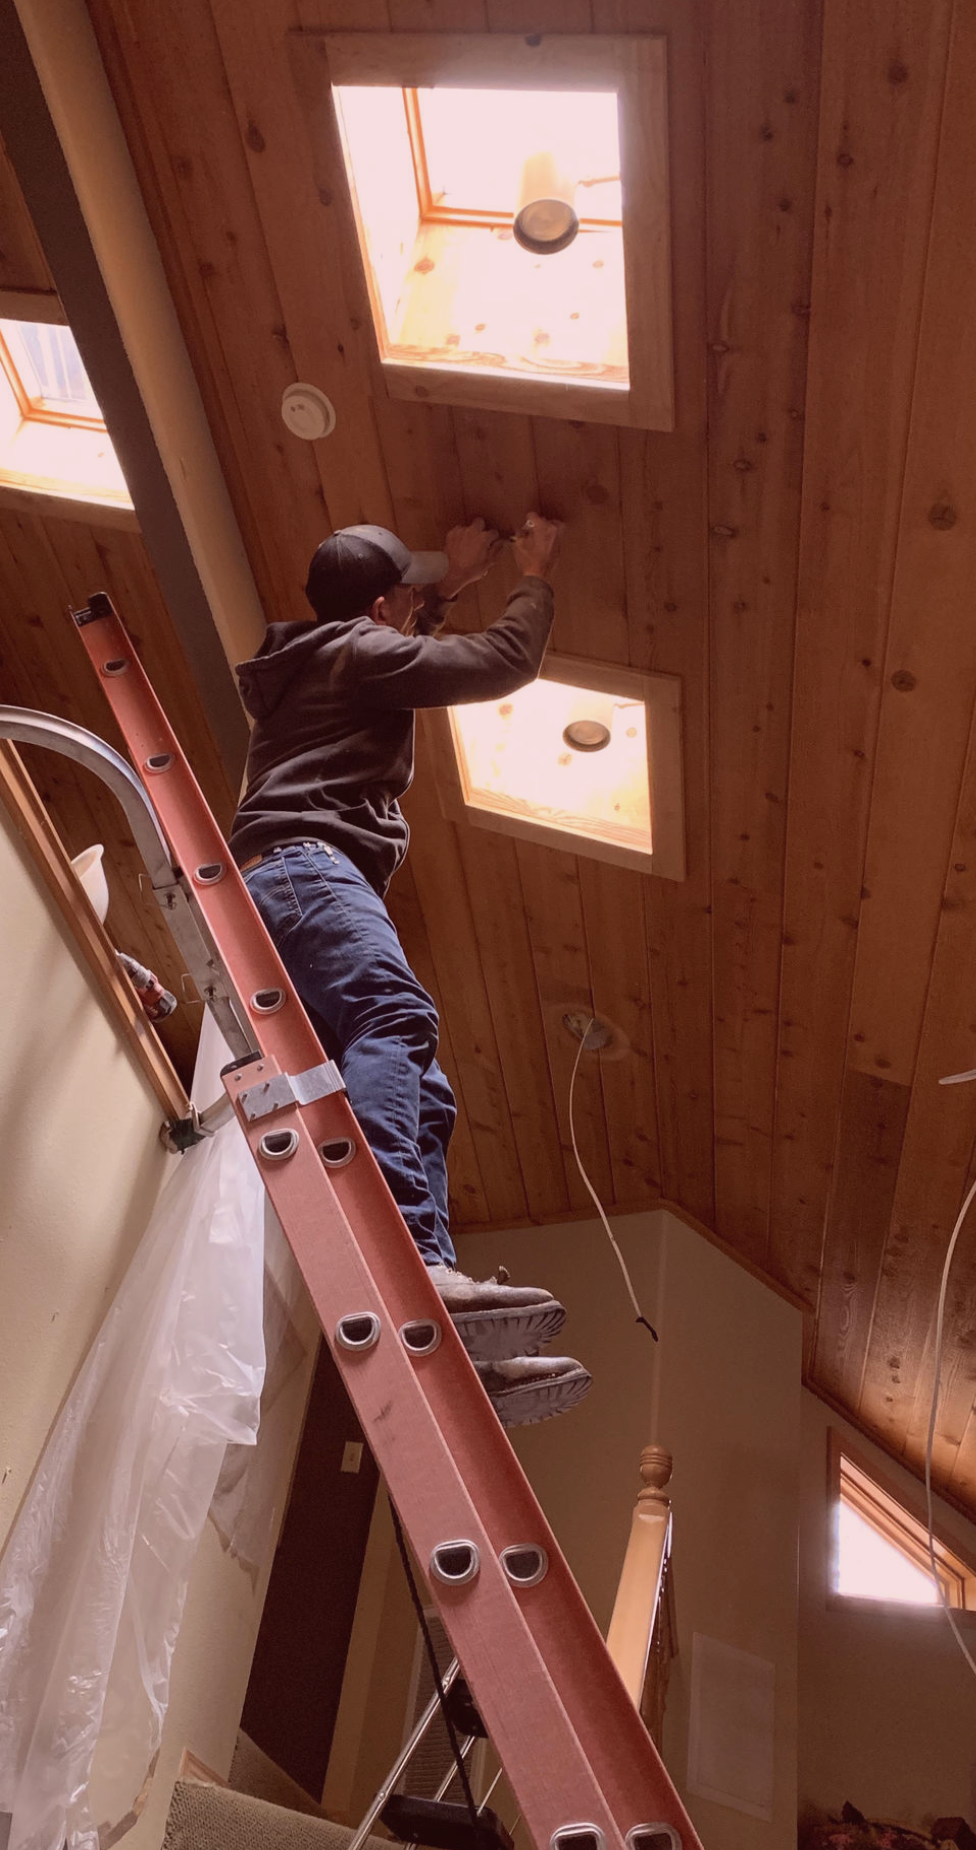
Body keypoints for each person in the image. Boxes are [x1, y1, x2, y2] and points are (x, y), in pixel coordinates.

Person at [229, 515, 590, 1428]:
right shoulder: (362, 652)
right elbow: (503, 663)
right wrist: (533, 576)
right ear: (383, 605)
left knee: (423, 1090)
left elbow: (389, 641)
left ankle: (439, 1296)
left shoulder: (321, 655)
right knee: (393, 1016)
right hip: (311, 870)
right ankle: (410, 1260)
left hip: (281, 881)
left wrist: (442, 589)